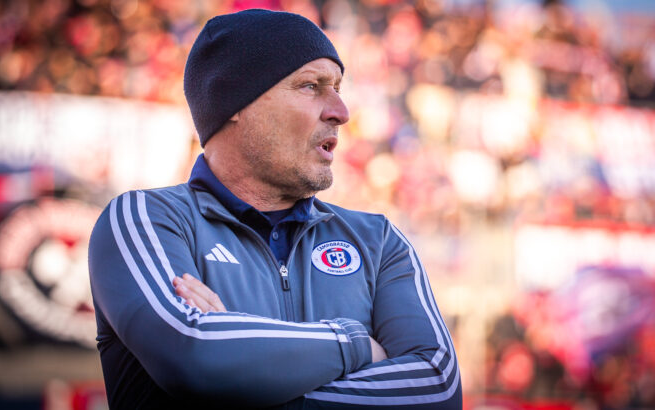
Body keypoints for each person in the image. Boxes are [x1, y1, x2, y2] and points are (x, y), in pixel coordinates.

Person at [88, 9, 461, 409]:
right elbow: (192, 354)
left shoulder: (378, 241)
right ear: (234, 101)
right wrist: (356, 345)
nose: (341, 111)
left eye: (338, 87)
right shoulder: (145, 219)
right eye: (311, 86)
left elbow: (436, 388)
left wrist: (234, 366)